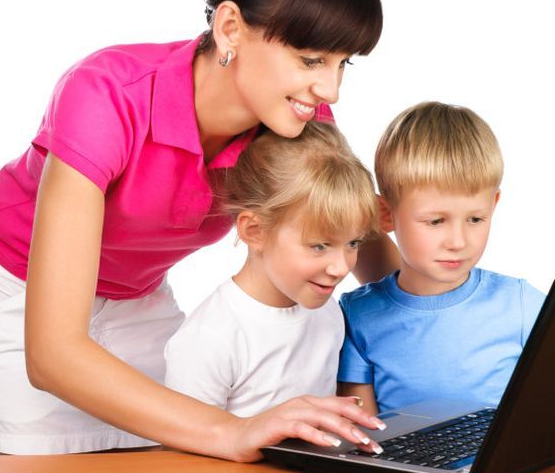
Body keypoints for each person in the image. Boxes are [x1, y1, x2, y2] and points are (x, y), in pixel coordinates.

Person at [0, 0, 394, 461]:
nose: (330, 89)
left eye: (343, 63)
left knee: (167, 465)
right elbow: (53, 355)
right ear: (230, 28)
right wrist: (232, 431)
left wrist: (441, 314)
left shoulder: (298, 117)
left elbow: (352, 230)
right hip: (15, 286)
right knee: (50, 471)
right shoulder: (107, 95)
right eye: (310, 60)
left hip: (136, 294)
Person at [162, 122, 388, 454]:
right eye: (319, 246)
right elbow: (183, 458)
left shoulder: (326, 310)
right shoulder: (209, 338)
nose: (341, 268)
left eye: (352, 243)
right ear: (255, 231)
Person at [336, 102, 546, 415]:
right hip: (405, 464)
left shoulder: (521, 305)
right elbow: (363, 434)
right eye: (436, 221)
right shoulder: (357, 316)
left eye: (476, 219)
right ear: (385, 214)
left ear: (494, 203)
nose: (458, 242)